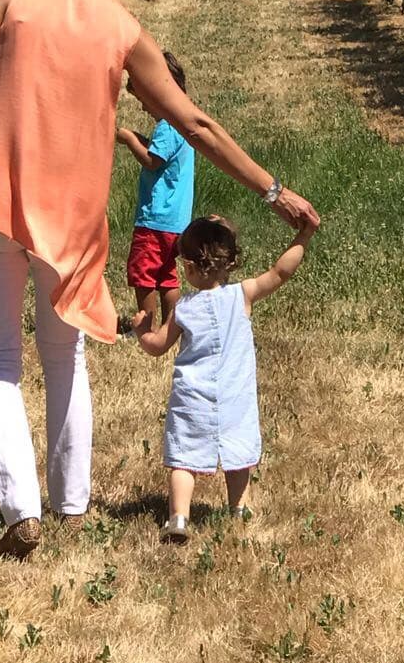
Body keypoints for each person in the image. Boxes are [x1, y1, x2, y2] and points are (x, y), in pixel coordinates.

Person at [0, 0, 319, 560]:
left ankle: (19, 510)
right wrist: (273, 191)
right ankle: (72, 506)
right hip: (71, 217)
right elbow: (195, 124)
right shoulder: (120, 26)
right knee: (66, 354)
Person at [133, 212, 317, 543]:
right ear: (231, 262)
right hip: (234, 396)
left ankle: (178, 517)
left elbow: (158, 346)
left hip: (192, 397)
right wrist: (303, 237)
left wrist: (142, 331)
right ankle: (239, 508)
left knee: (183, 460)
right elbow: (281, 272)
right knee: (239, 453)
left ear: (187, 267)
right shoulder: (242, 295)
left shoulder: (184, 308)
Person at [117, 51, 195, 327]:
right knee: (167, 275)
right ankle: (171, 327)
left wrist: (128, 138)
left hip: (154, 219)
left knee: (144, 274)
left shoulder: (167, 124)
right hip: (177, 221)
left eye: (143, 100)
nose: (143, 108)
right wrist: (142, 139)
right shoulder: (183, 120)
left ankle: (145, 328)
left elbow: (152, 160)